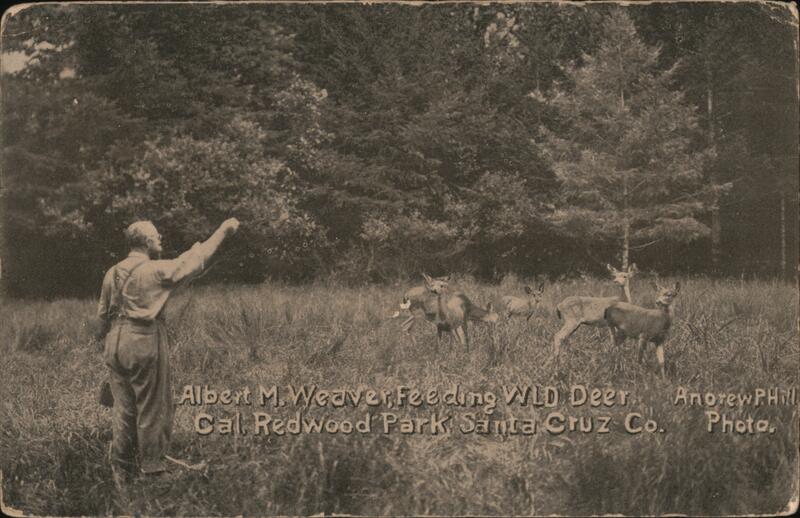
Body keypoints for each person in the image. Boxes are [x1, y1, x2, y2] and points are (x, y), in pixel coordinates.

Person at [97, 218, 239, 484]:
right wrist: (223, 231)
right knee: (153, 406)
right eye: (156, 236)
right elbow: (194, 260)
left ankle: (121, 469)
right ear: (147, 242)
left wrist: (107, 348)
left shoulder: (112, 272)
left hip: (114, 341)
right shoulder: (155, 270)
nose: (159, 239)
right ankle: (153, 470)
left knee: (123, 408)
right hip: (143, 338)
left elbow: (102, 317)